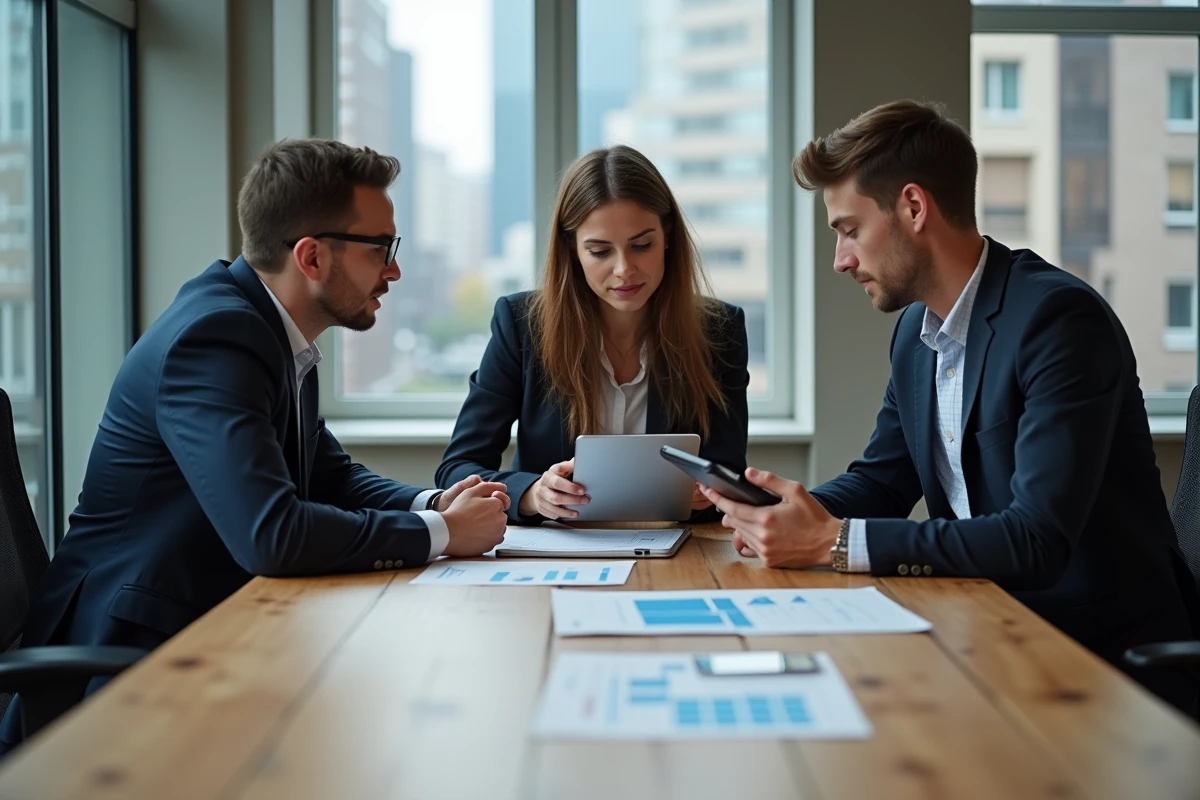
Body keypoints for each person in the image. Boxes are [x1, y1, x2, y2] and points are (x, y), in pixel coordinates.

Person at [0, 139, 510, 755]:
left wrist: (435, 501)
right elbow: (273, 534)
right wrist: (442, 533)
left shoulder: (275, 332)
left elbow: (329, 474)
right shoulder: (217, 338)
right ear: (312, 256)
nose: (394, 270)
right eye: (382, 249)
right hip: (130, 658)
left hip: (210, 628)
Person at [700, 100, 1200, 716]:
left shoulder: (1058, 322)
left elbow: (1035, 540)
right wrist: (782, 511)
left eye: (850, 230)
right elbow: (882, 481)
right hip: (987, 632)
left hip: (1099, 668)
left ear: (914, 208)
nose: (841, 260)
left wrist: (833, 543)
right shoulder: (917, 334)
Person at [437, 145, 749, 523]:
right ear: (573, 250)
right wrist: (533, 494)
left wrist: (709, 494)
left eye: (641, 245)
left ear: (667, 236)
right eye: (600, 251)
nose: (624, 269)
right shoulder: (521, 325)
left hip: (676, 550)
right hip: (553, 551)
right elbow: (458, 469)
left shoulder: (719, 330)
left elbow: (728, 473)